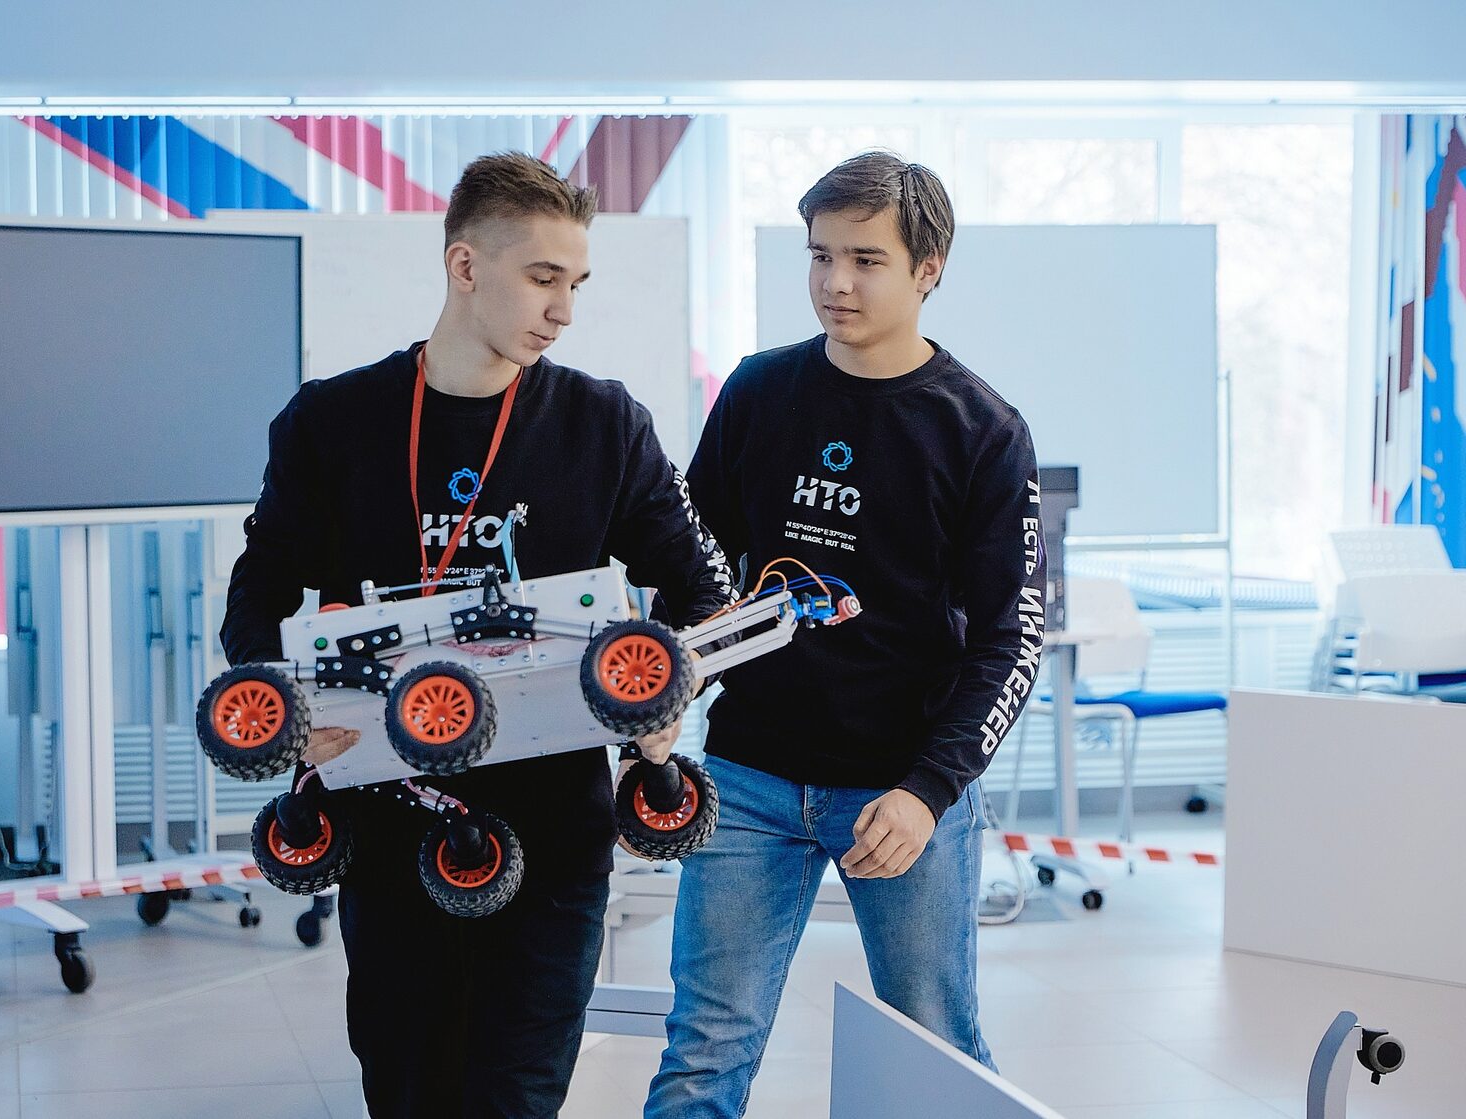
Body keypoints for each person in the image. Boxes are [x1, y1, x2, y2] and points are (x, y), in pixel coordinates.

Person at [219, 151, 733, 1119]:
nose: (563, 309)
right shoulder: (334, 423)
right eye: (543, 278)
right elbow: (259, 589)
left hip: (555, 834)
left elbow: (702, 590)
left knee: (516, 1096)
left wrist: (667, 696)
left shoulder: (603, 424)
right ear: (465, 265)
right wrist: (286, 713)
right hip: (387, 822)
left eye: (576, 283)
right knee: (407, 1088)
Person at [645, 152, 1046, 1118]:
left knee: (934, 1047)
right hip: (747, 779)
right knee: (704, 1050)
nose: (836, 282)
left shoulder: (983, 429)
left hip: (901, 788)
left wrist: (928, 790)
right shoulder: (758, 391)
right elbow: (696, 573)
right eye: (820, 256)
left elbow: (1012, 639)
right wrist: (662, 687)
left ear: (928, 268)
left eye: (866, 259)